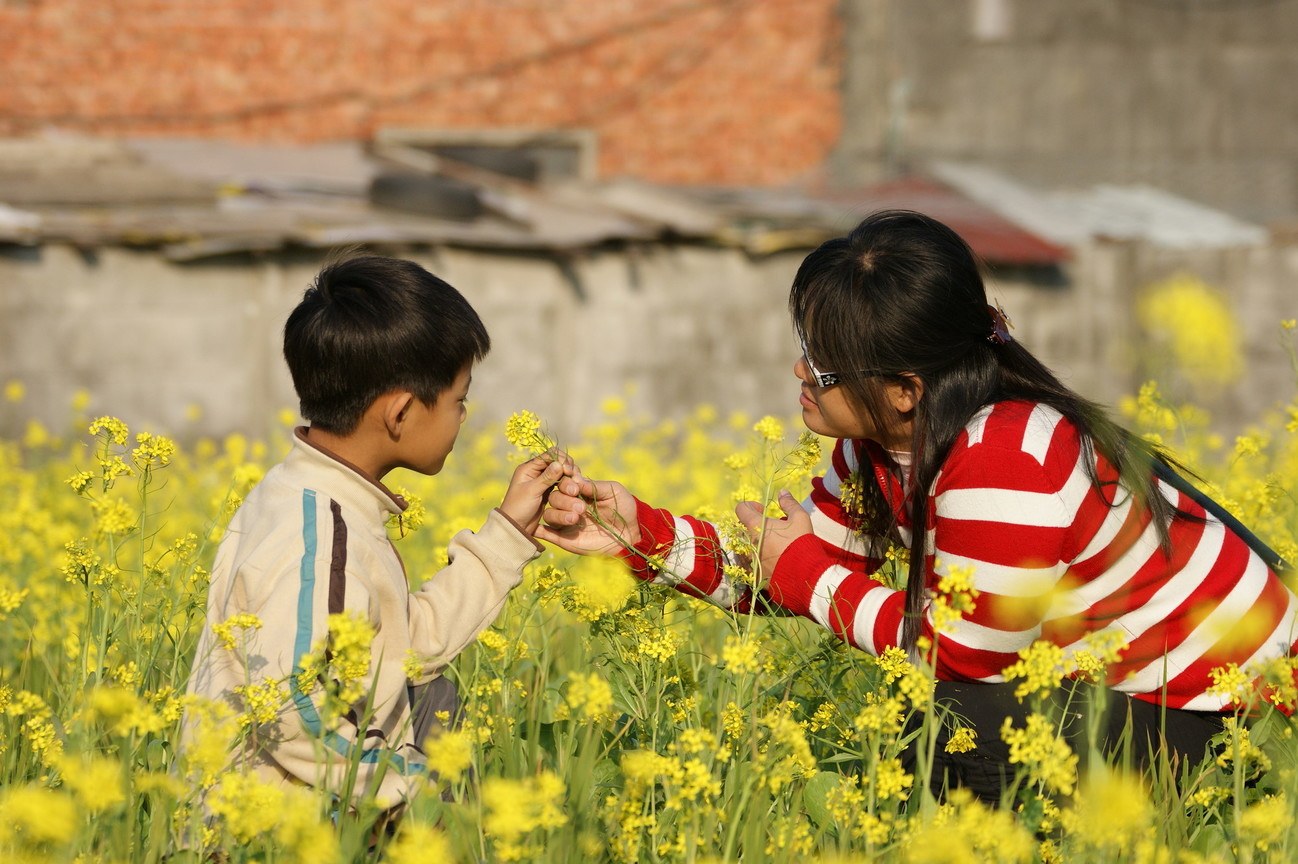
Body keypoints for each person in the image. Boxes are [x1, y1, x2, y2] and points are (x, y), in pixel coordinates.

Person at [539, 210, 1297, 801]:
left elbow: (961, 654)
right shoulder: (884, 444)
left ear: (906, 388)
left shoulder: (1007, 453)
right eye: (806, 344)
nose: (800, 371)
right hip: (1123, 696)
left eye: (825, 365)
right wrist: (637, 536)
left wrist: (802, 571)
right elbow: (793, 567)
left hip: (1220, 716)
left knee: (959, 725)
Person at [183, 255, 569, 807]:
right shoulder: (320, 541)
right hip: (277, 837)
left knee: (435, 699)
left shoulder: (304, 494)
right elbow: (295, 714)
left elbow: (401, 646)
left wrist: (509, 534)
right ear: (401, 413)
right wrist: (416, 790)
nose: (464, 415)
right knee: (438, 718)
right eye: (459, 399)